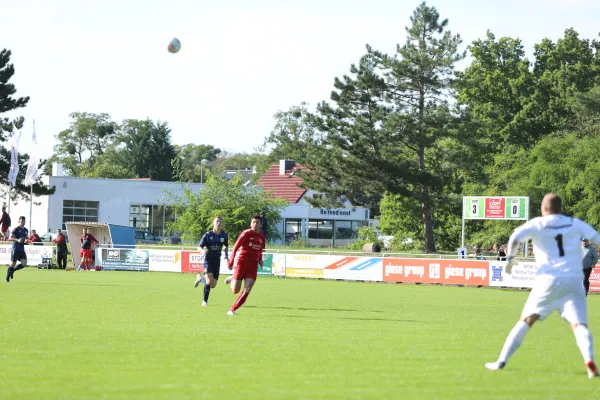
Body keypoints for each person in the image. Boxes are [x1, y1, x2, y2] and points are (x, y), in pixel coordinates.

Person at [485, 193, 600, 378]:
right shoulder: (574, 223)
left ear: (543, 208)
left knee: (526, 320)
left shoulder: (538, 223)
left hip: (548, 280)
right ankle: (589, 362)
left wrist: (510, 259)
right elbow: (596, 237)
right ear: (561, 208)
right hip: (573, 280)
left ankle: (501, 361)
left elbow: (515, 237)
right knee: (579, 325)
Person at [224, 215, 266, 316]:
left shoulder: (262, 238)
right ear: (251, 224)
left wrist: (260, 260)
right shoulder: (245, 234)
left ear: (261, 225)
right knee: (235, 290)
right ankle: (233, 277)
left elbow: (260, 251)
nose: (255, 224)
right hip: (242, 263)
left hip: (252, 266)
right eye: (254, 222)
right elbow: (235, 247)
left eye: (257, 222)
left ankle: (232, 309)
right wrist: (231, 261)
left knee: (247, 289)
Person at [194, 216, 229, 306]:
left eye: (220, 222)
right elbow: (199, 247)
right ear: (213, 223)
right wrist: (202, 251)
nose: (218, 223)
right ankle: (205, 301)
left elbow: (226, 246)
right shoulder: (208, 235)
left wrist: (226, 255)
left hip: (217, 261)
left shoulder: (224, 235)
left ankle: (200, 279)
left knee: (213, 284)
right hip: (208, 260)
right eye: (217, 221)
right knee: (209, 280)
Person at [5, 216, 29, 282]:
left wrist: (27, 241)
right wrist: (17, 240)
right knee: (13, 263)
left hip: (21, 249)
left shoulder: (26, 230)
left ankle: (13, 270)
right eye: (21, 221)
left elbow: (26, 239)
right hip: (15, 249)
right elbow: (9, 238)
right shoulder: (15, 229)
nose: (22, 222)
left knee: (24, 263)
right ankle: (7, 278)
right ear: (19, 221)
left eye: (24, 221)